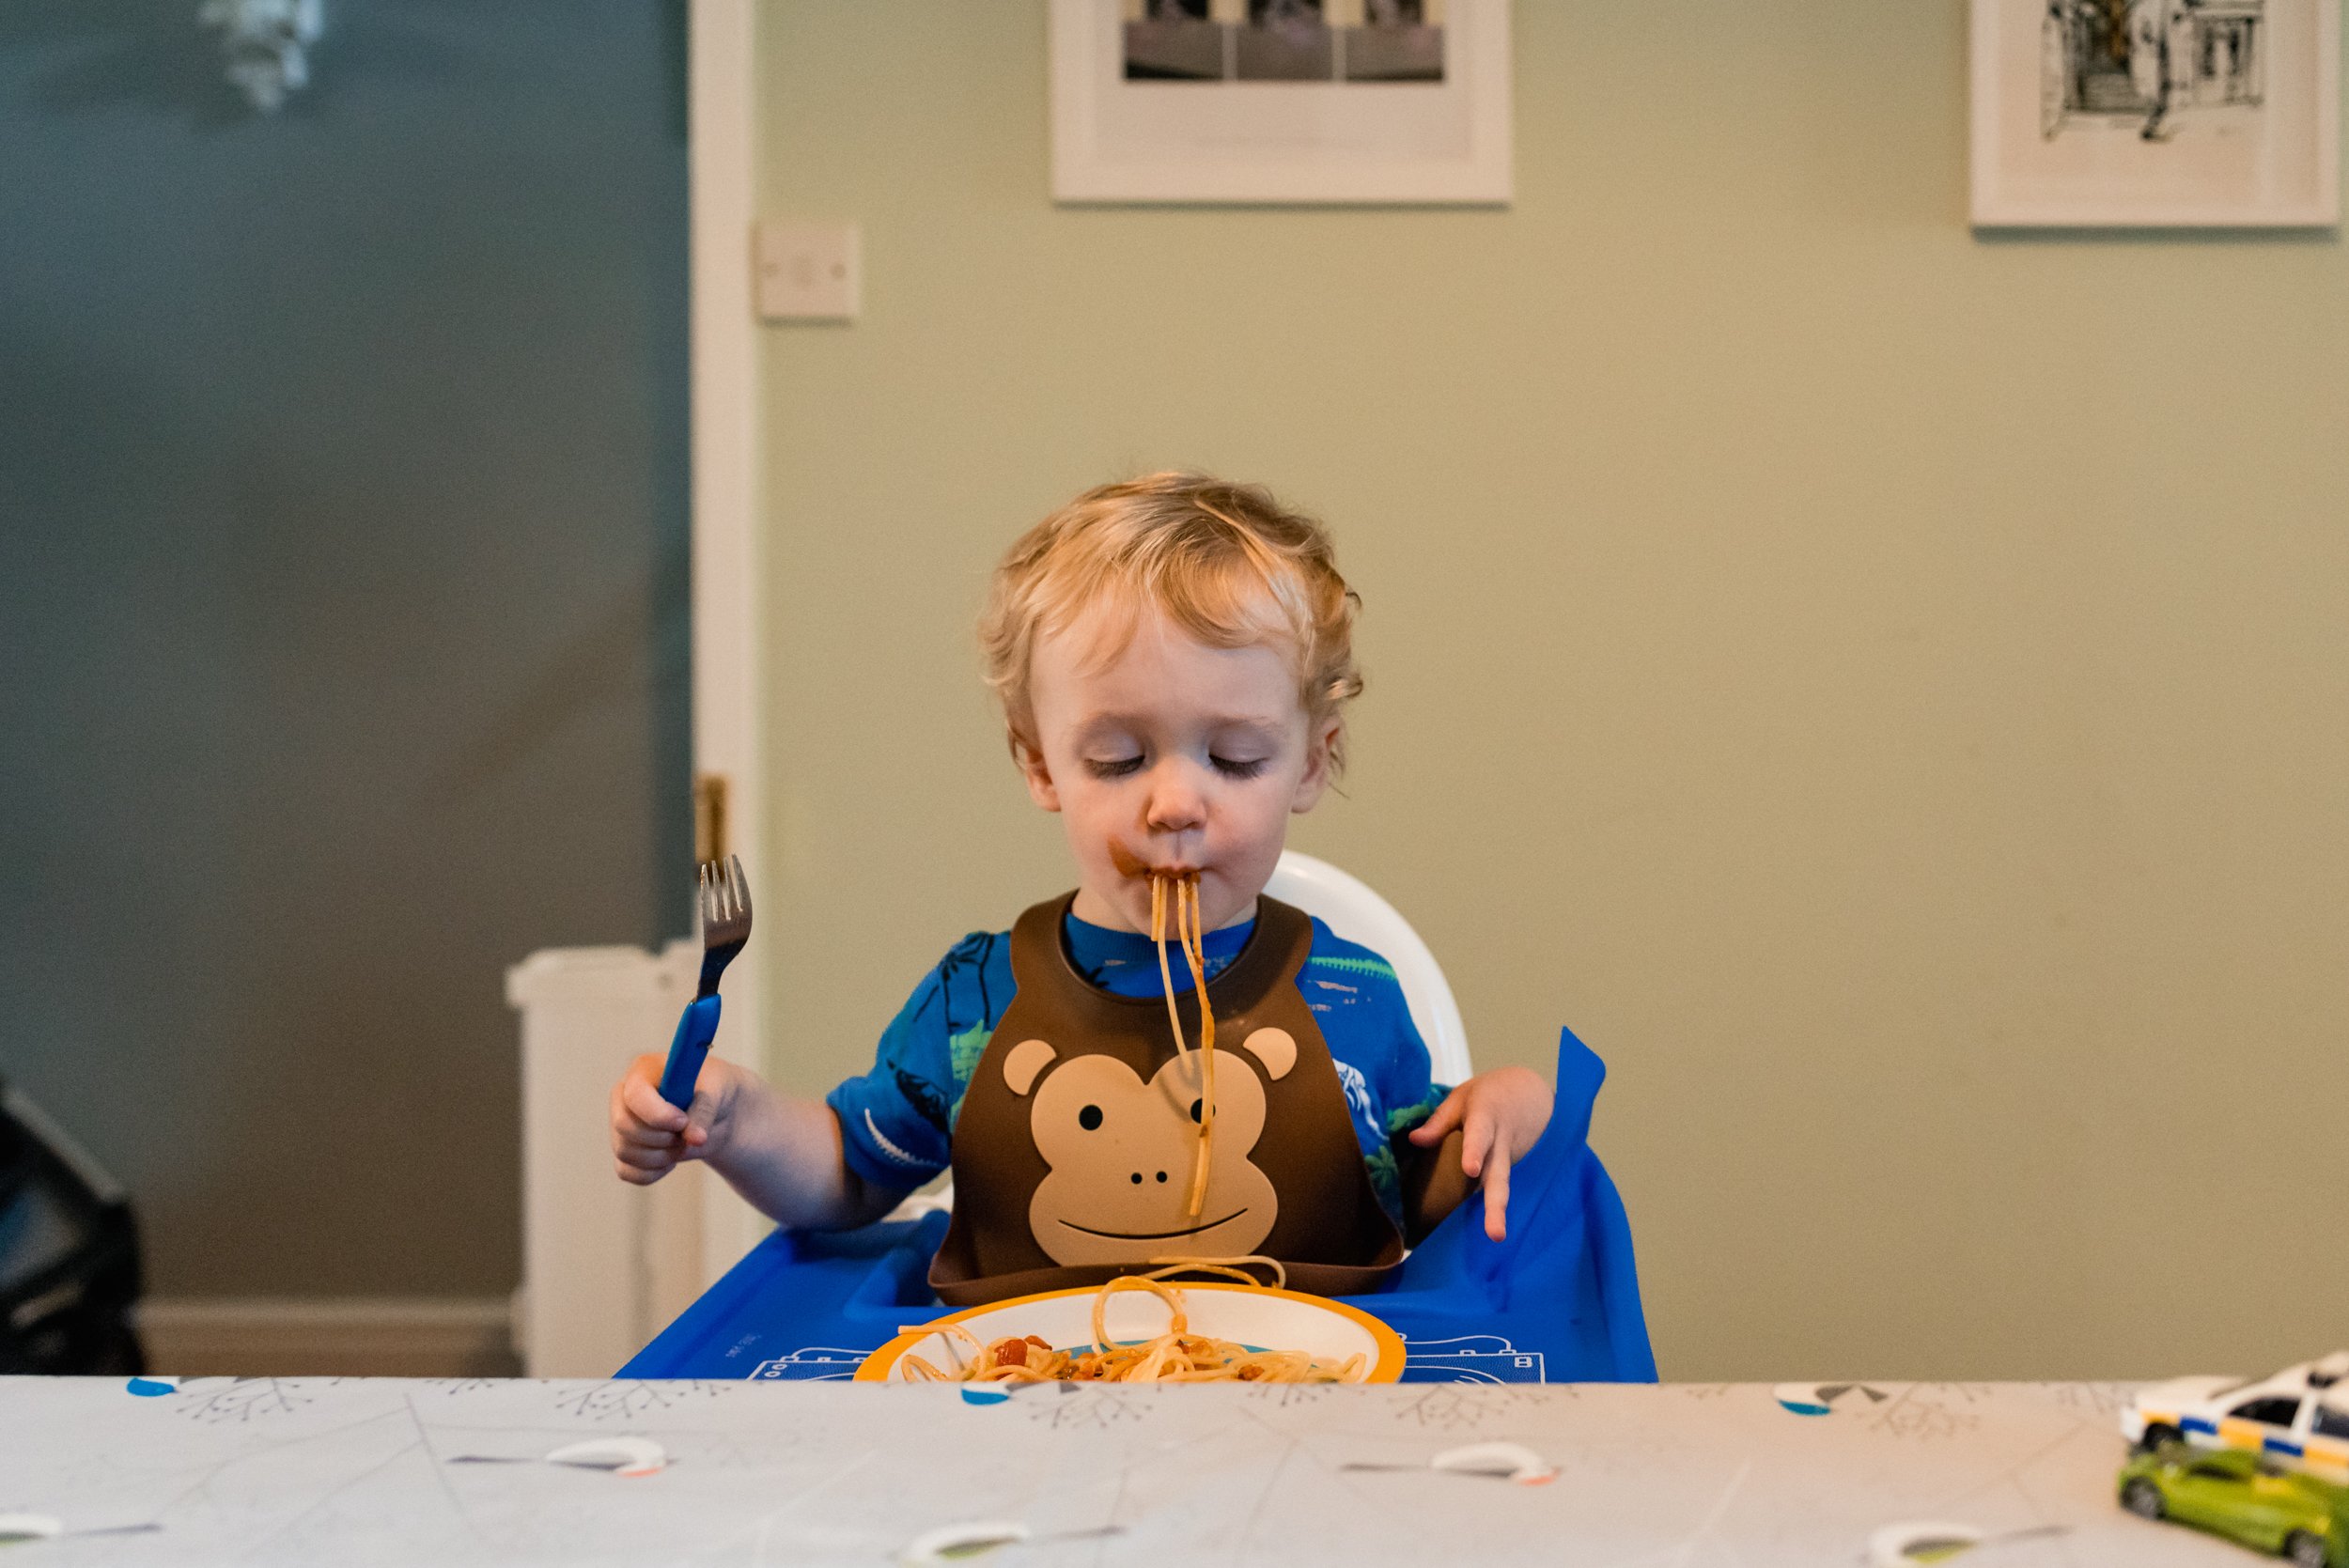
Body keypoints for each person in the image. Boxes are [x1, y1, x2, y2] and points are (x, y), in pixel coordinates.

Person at [608, 473, 1552, 1301]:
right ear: (1040, 764)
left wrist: (1507, 1109)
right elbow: (852, 1175)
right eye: (1116, 757)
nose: (1174, 801)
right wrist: (734, 1119)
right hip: (1018, 1418)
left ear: (1311, 763)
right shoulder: (978, 1002)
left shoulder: (1351, 993)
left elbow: (1426, 1196)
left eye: (1233, 757)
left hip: (1305, 1418)